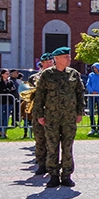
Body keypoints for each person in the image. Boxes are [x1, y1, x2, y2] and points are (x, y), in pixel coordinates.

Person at [33, 47, 85, 188]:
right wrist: (39, 115)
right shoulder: (47, 75)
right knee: (52, 146)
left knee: (67, 147)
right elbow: (39, 97)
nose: (69, 59)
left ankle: (67, 175)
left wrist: (79, 112)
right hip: (51, 117)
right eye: (66, 57)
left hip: (69, 117)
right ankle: (53, 175)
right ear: (57, 59)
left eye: (69, 56)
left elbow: (80, 94)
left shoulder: (74, 74)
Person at [28, 53, 54, 174]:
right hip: (39, 111)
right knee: (39, 138)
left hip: (54, 111)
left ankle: (52, 163)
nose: (49, 64)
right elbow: (29, 94)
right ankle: (41, 163)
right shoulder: (34, 78)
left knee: (53, 139)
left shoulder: (56, 75)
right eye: (46, 62)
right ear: (42, 64)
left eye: (51, 62)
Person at [0, 69, 17, 138]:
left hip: (9, 101)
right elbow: (1, 90)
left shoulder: (10, 82)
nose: (8, 75)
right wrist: (8, 90)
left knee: (6, 117)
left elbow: (14, 89)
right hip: (1, 101)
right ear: (2, 74)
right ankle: (1, 131)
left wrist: (8, 90)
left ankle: (5, 131)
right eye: (6, 74)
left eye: (8, 74)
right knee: (1, 116)